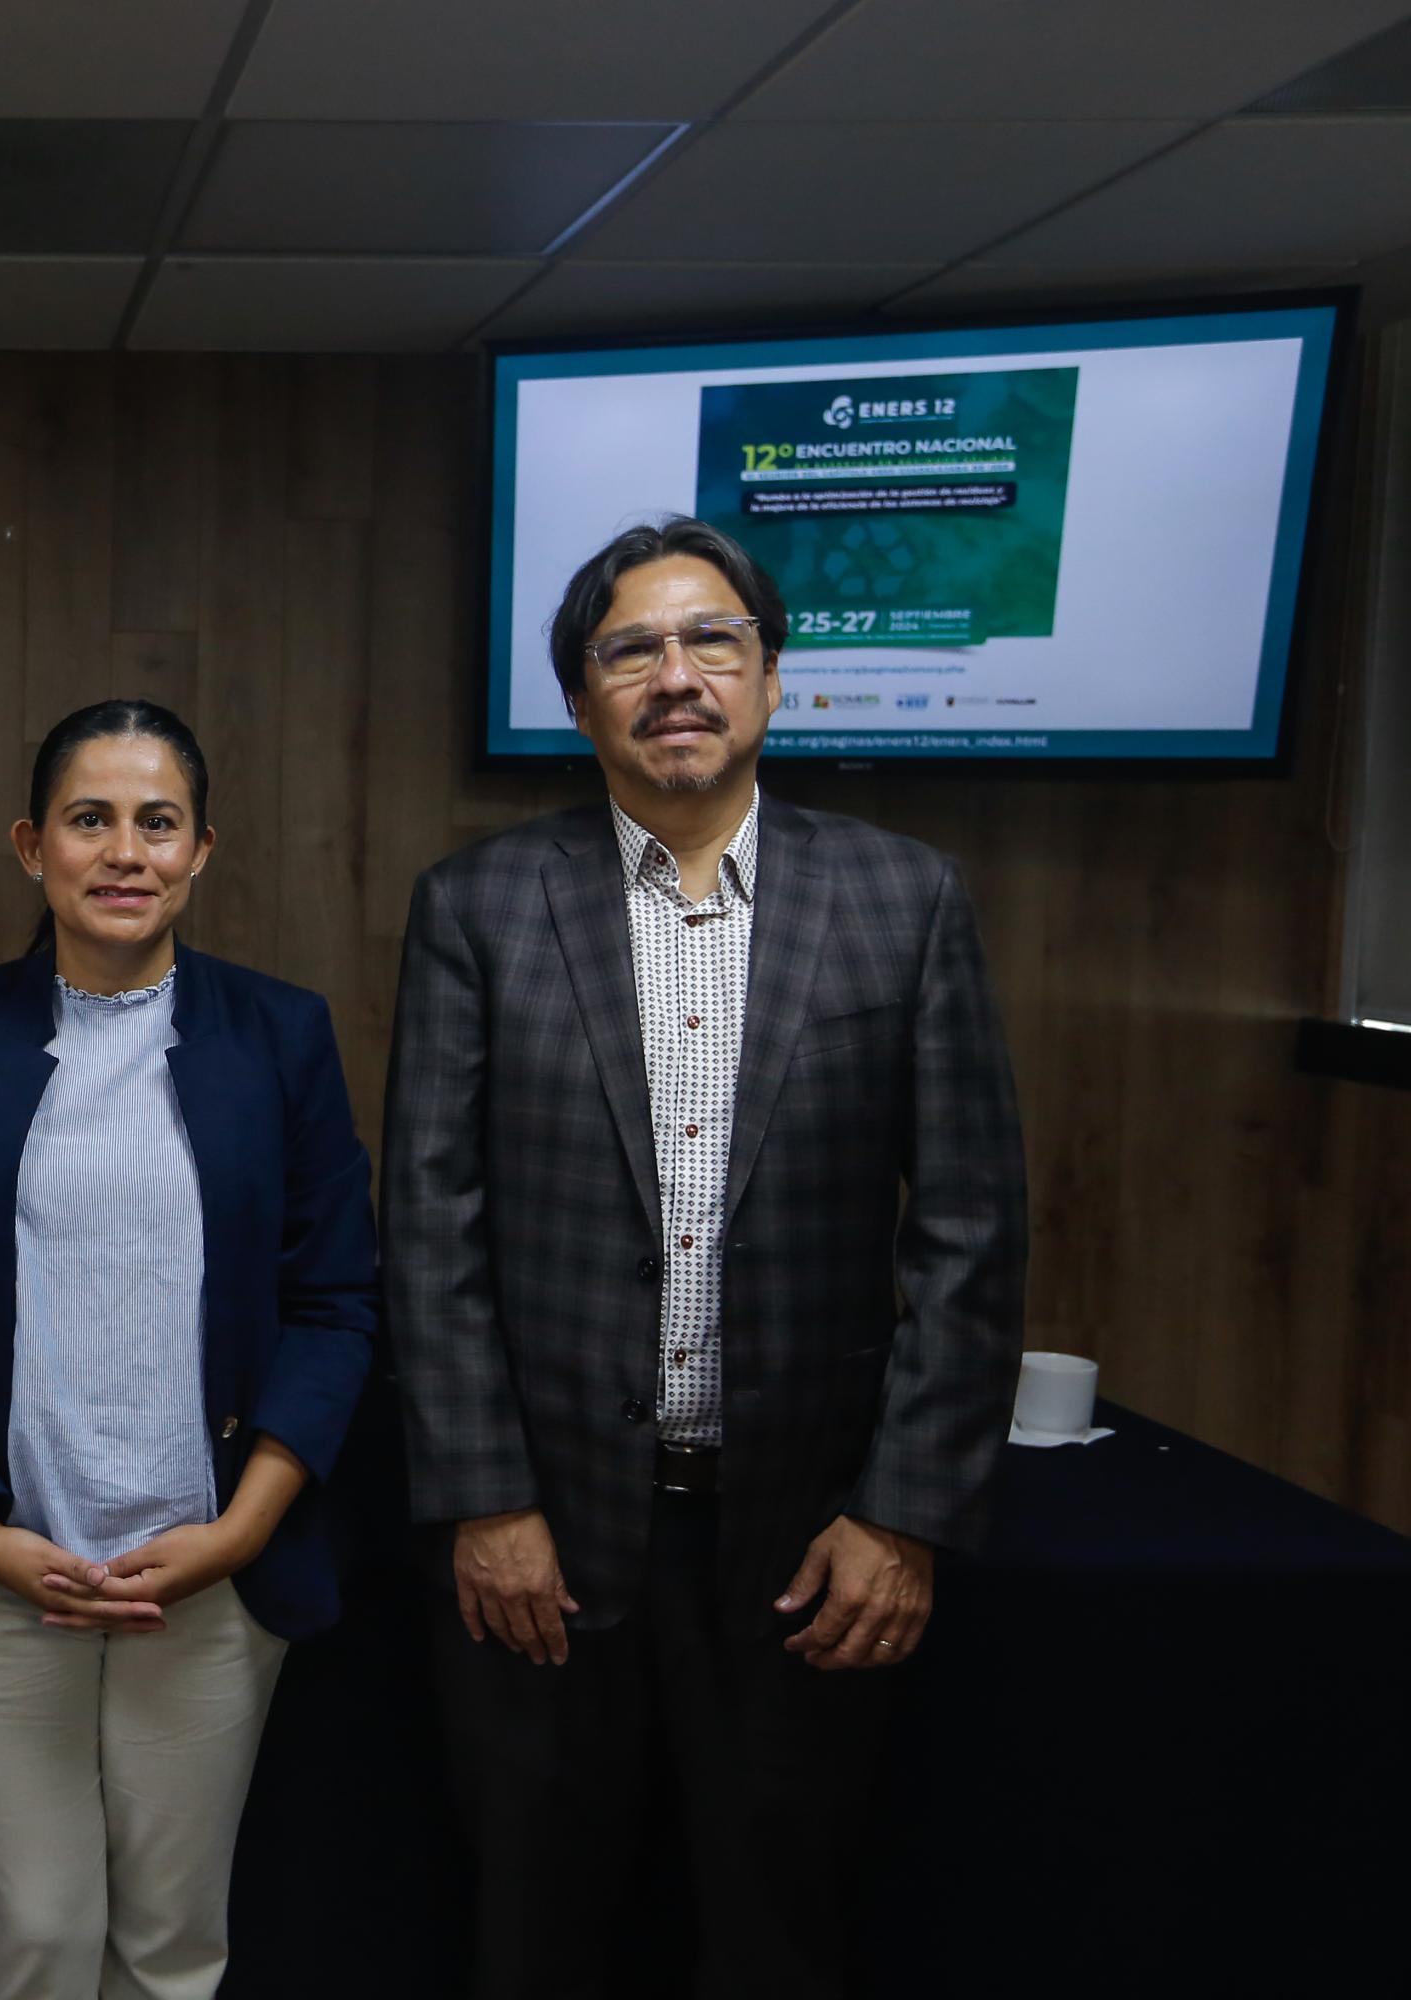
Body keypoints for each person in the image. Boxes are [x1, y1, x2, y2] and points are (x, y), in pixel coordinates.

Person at [386, 516, 1028, 1996]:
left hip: (809, 1548)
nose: (675, 676)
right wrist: (487, 1498)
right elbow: (428, 1221)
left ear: (772, 678)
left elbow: (971, 1229)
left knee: (778, 1936)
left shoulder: (905, 899)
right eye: (632, 650)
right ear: (580, 700)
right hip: (543, 1545)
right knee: (533, 1932)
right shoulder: (477, 906)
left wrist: (903, 1516)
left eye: (711, 642)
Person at [0, 699, 377, 2000]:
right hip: (6, 1572)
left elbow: (335, 1302)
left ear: (202, 850)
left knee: (168, 1942)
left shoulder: (279, 1034)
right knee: (38, 1928)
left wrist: (243, 1530)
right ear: (31, 845)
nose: (125, 851)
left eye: (159, 822)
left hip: (205, 1574)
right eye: (89, 819)